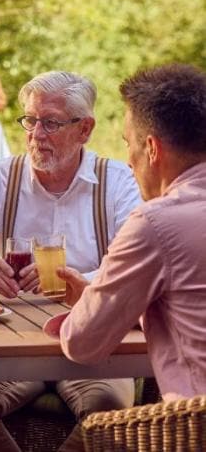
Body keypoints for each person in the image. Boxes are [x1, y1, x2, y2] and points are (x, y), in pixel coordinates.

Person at [0, 70, 142, 452]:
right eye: (30, 120)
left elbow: (132, 272)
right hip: (11, 344)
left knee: (108, 410)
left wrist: (80, 282)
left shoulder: (117, 181)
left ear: (85, 129)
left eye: (51, 123)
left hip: (91, 341)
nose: (36, 134)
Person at [53, 64, 206, 402]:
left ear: (152, 149)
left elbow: (83, 343)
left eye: (129, 145)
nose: (128, 162)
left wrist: (93, 303)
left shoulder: (156, 223)